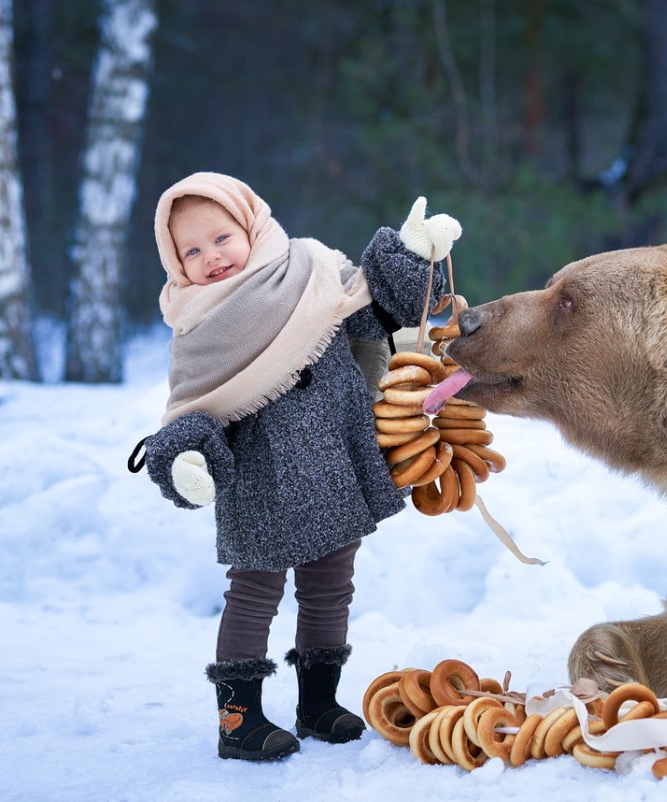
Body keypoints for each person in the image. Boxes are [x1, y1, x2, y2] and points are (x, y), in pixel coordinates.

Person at [142, 172, 461, 761]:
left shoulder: (312, 271)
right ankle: (238, 720)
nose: (211, 257)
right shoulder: (199, 327)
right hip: (260, 485)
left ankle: (317, 704)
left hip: (335, 464)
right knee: (253, 595)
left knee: (329, 591)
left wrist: (411, 261)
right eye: (191, 250)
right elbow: (191, 410)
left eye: (221, 238)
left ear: (252, 225)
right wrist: (188, 456)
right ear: (175, 261)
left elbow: (373, 319)